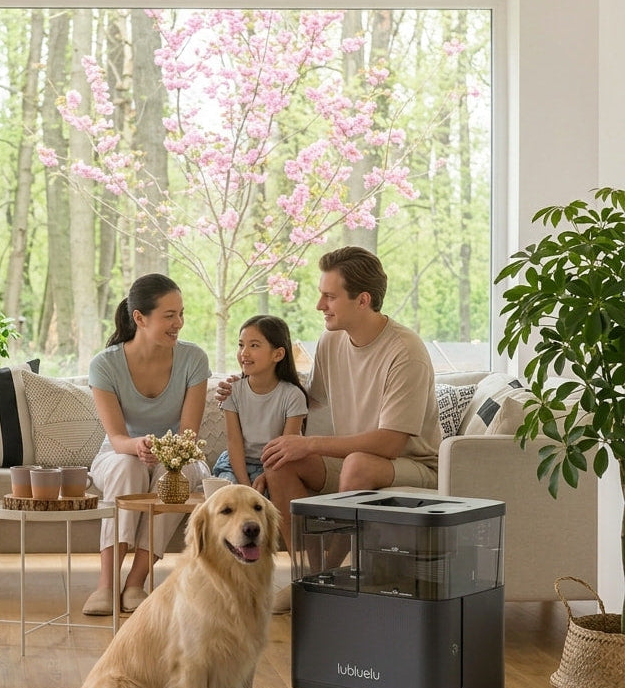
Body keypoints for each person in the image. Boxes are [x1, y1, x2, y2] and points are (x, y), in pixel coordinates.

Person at [226, 247, 441, 614]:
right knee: (279, 459)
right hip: (351, 459)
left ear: (363, 300)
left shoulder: (406, 351)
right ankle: (309, 574)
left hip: (412, 465)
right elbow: (307, 400)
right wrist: (248, 384)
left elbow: (390, 443)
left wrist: (310, 444)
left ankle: (322, 580)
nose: (319, 305)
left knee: (358, 463)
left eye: (329, 295)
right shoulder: (331, 341)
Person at [83, 273, 211, 616]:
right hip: (120, 454)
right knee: (129, 467)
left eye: (181, 314)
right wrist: (138, 445)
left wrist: (168, 454)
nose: (179, 323)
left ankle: (136, 582)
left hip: (179, 457)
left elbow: (188, 436)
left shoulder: (193, 360)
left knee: (178, 472)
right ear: (139, 318)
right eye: (169, 316)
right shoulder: (105, 364)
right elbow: (117, 438)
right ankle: (106, 585)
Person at [211, 315, 308, 495]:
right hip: (236, 465)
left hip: (275, 466)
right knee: (230, 496)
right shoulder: (233, 391)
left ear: (278, 354)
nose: (244, 353)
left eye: (254, 345)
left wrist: (265, 478)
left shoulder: (293, 396)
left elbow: (286, 449)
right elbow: (234, 442)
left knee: (267, 498)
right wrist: (245, 484)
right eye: (241, 345)